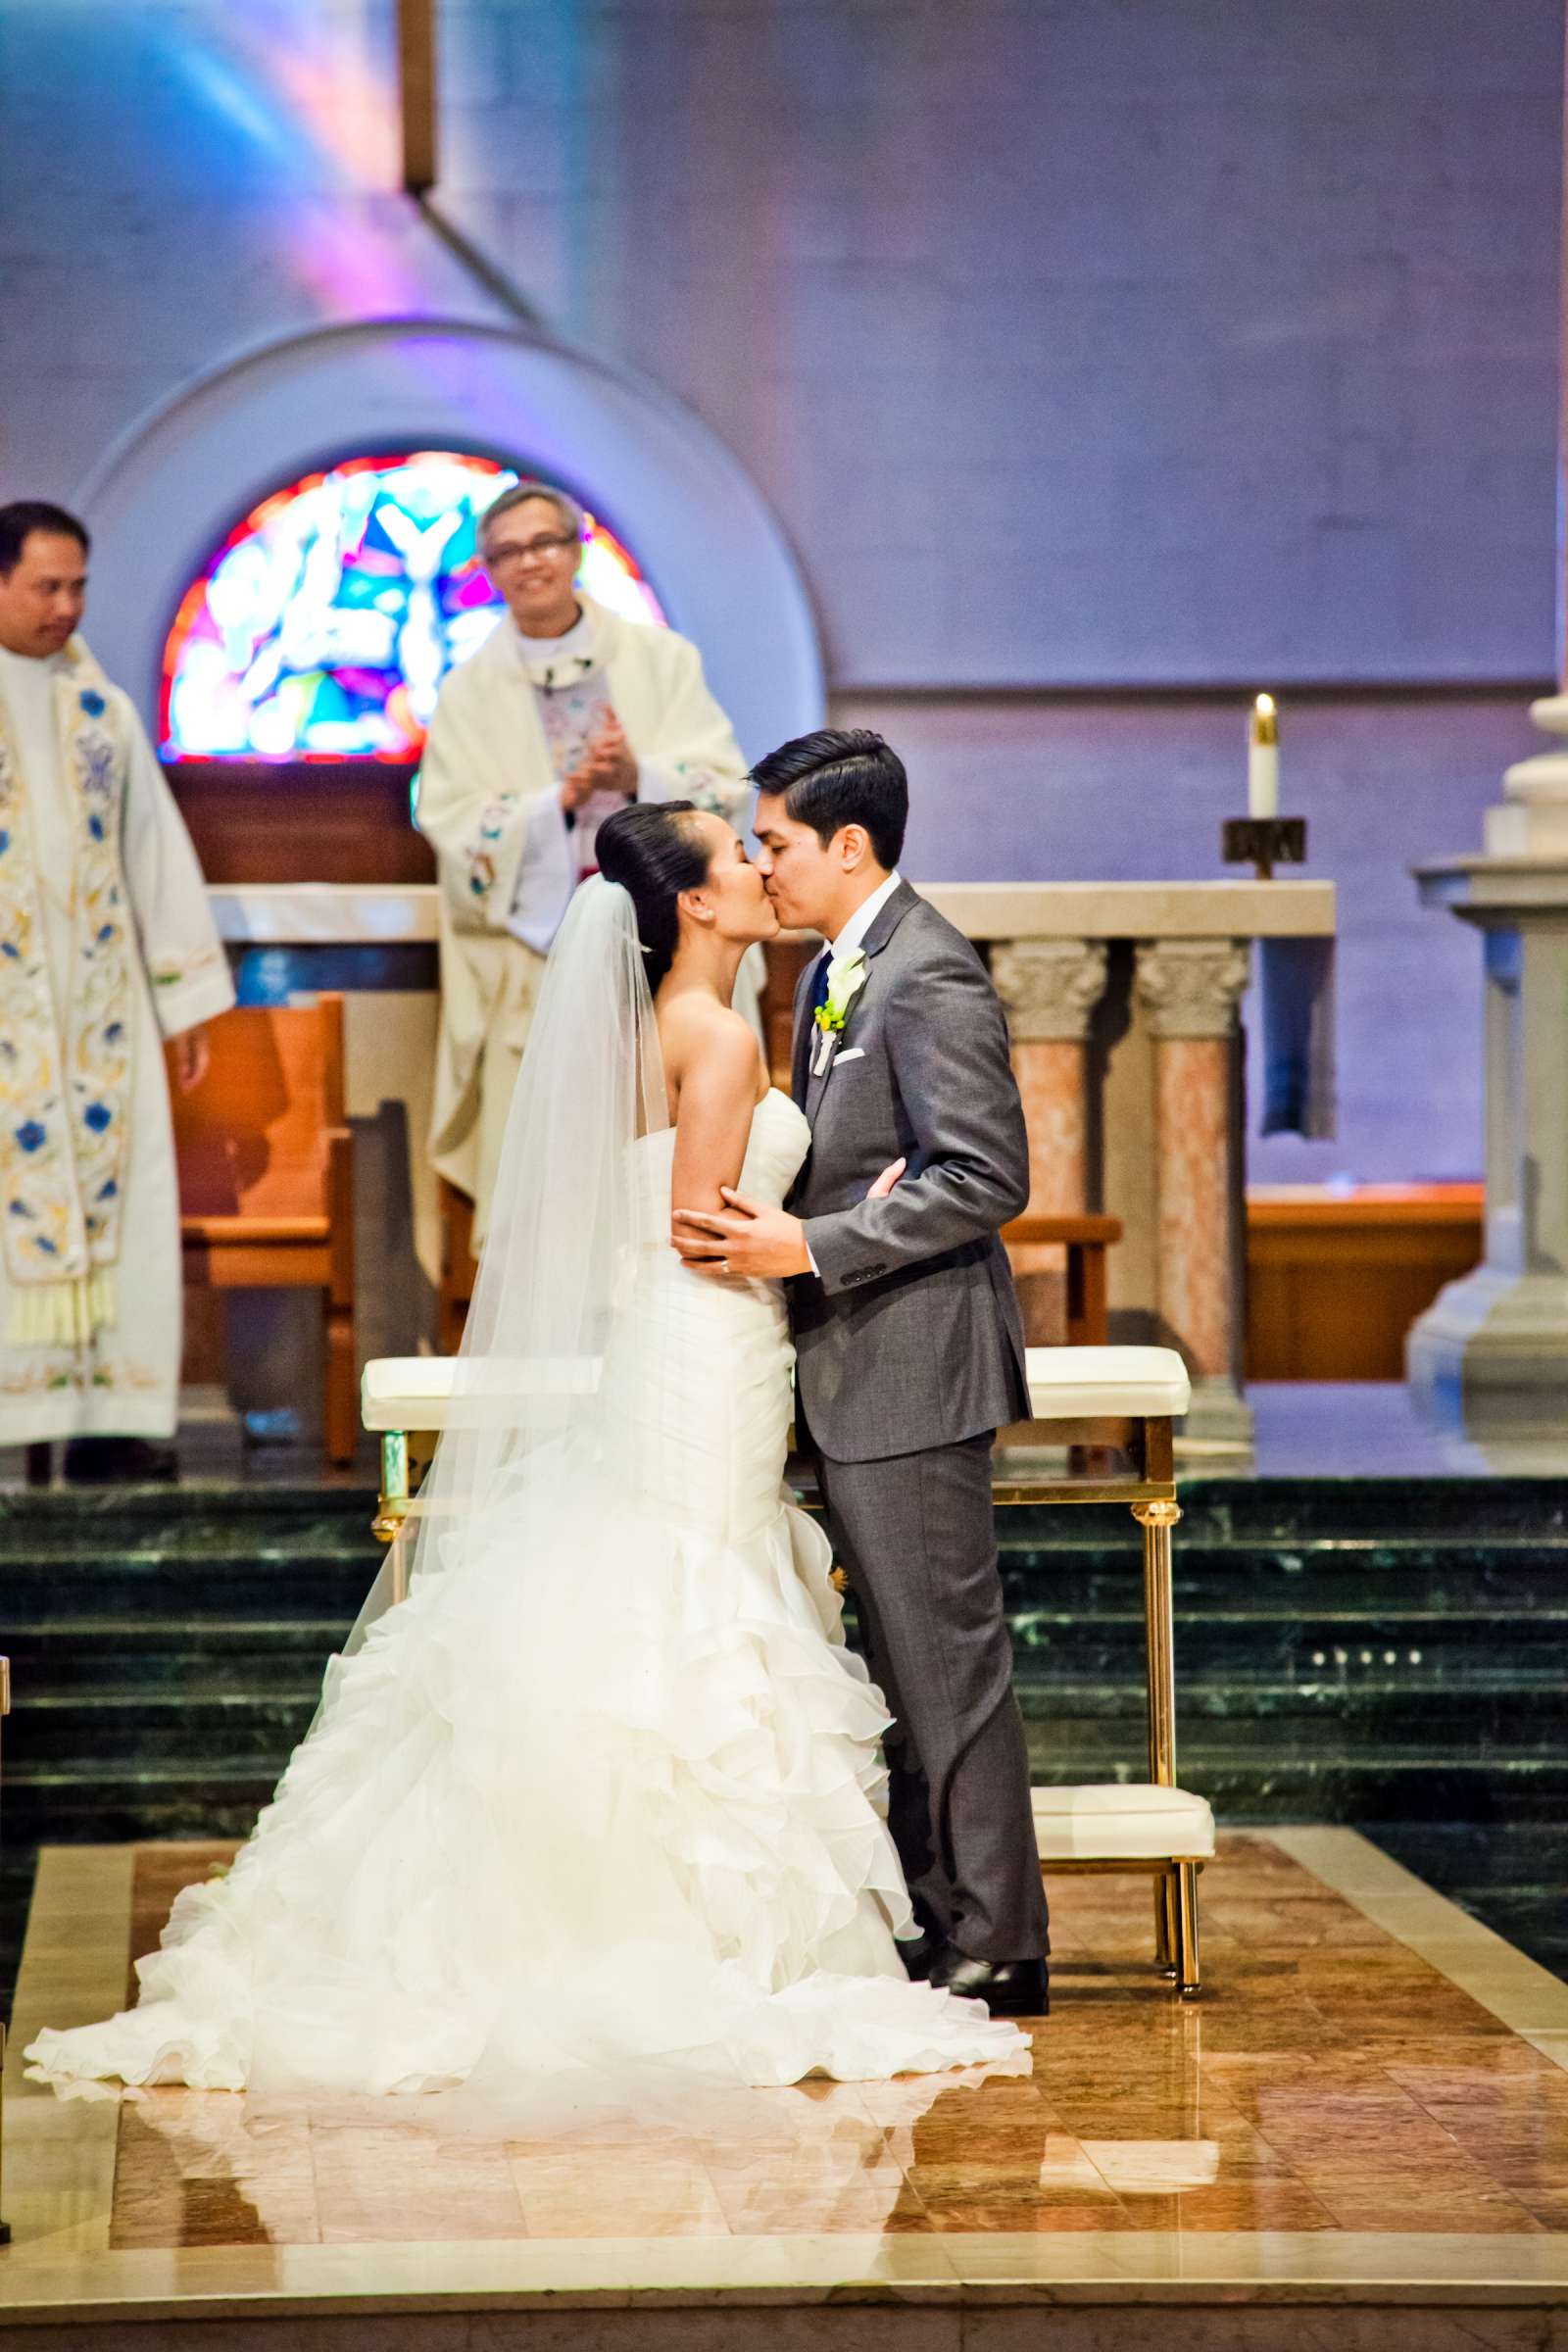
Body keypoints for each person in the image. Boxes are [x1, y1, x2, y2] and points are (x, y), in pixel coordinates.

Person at [25, 803, 1026, 2110]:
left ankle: (605, 1907)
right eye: (738, 857)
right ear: (699, 908)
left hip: (667, 1356)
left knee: (661, 1588)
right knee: (698, 1597)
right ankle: (684, 1933)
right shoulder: (718, 1037)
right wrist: (858, 1215)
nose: (759, 866)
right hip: (710, 1339)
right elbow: (700, 1227)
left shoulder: (643, 1030)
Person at [672, 731, 1050, 2019]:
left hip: (916, 1367)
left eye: (774, 842)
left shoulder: (927, 973)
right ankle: (941, 1914)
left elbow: (987, 1177)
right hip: (854, 1358)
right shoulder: (839, 965)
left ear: (850, 844)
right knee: (900, 1666)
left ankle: (1002, 1933)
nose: (762, 865)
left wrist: (811, 1244)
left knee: (948, 1660)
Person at [415, 480, 754, 1249]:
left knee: (660, 1155)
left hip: (665, 960)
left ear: (577, 550)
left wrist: (639, 775)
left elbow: (726, 790)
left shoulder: (661, 659)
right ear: (488, 571)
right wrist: (554, 803)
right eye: (506, 552)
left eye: (544, 543)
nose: (528, 563)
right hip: (541, 961)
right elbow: (451, 822)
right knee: (549, 1185)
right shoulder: (468, 691)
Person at [0, 501, 234, 1484]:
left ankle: (106, 1414)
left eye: (78, 587)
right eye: (45, 587)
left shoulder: (101, 711)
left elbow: (151, 848)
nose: (67, 607)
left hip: (99, 1009)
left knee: (121, 1202)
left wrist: (179, 996)